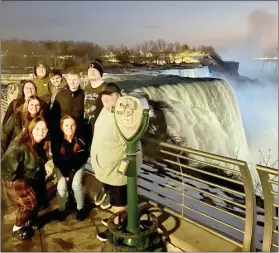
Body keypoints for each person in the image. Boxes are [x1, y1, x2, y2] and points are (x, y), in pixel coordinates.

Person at [90, 83, 143, 242]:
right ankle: (118, 219)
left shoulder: (123, 116)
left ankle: (116, 230)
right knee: (114, 199)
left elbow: (130, 142)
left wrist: (121, 168)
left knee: (119, 201)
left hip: (117, 170)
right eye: (104, 96)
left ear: (119, 97)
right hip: (106, 168)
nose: (106, 98)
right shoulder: (105, 111)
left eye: (110, 95)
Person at [1, 116, 50, 240]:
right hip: (14, 178)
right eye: (37, 128)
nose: (41, 132)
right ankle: (17, 227)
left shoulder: (41, 143)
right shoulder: (20, 145)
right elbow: (5, 167)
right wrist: (18, 184)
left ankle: (29, 221)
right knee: (29, 203)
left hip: (32, 177)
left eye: (44, 129)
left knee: (37, 201)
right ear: (31, 129)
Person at [52, 116, 89, 222]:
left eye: (72, 125)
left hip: (77, 167)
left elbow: (83, 157)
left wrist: (72, 173)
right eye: (66, 125)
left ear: (76, 126)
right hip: (61, 167)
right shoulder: (57, 140)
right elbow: (57, 159)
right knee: (61, 187)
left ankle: (80, 208)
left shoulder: (81, 139)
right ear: (62, 127)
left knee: (76, 184)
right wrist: (66, 174)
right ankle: (62, 209)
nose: (70, 128)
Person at [51, 70, 85, 139]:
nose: (72, 82)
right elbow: (54, 115)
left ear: (79, 80)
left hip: (78, 133)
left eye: (75, 79)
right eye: (70, 79)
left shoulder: (84, 95)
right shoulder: (60, 95)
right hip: (62, 133)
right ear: (67, 80)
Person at [84, 59, 107, 138]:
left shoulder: (107, 88)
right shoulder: (86, 88)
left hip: (101, 128)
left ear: (100, 73)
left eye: (95, 70)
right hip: (86, 126)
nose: (91, 72)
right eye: (90, 70)